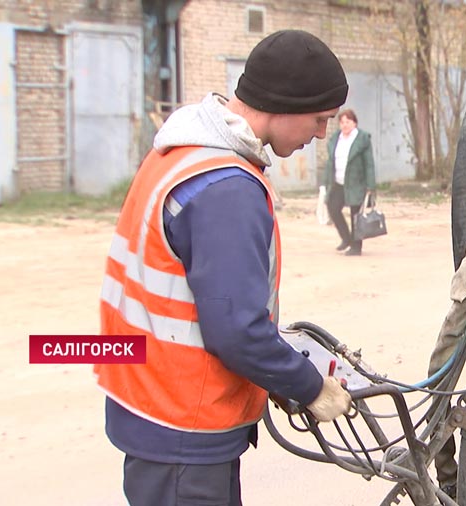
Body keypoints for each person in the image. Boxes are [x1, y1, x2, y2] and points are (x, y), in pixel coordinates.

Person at [95, 30, 352, 506]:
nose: (321, 133)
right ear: (284, 105)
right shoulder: (227, 188)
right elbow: (237, 331)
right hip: (184, 428)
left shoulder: (181, 151)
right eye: (320, 119)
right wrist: (309, 386)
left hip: (153, 406)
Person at [323, 108, 376, 256]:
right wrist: (325, 183)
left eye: (348, 121)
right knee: (332, 207)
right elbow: (330, 163)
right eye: (342, 122)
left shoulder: (362, 139)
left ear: (354, 123)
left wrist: (371, 186)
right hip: (338, 182)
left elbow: (369, 163)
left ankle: (356, 246)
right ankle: (346, 238)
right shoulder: (336, 139)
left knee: (355, 215)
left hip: (356, 182)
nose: (345, 125)